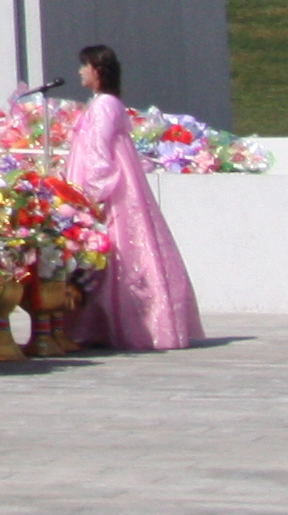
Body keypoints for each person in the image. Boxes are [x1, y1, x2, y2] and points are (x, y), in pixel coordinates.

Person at [65, 47, 206, 351]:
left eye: (85, 66)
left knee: (113, 254)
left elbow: (99, 152)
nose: (80, 72)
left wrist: (92, 192)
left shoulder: (104, 106)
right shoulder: (105, 104)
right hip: (107, 186)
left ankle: (112, 324)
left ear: (97, 71)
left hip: (106, 190)